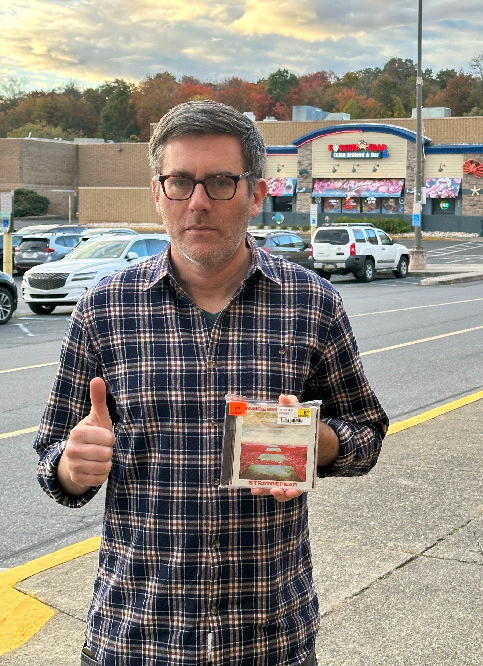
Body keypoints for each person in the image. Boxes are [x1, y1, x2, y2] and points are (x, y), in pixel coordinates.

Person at [34, 99, 388, 665]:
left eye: (220, 181)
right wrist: (70, 469)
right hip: (135, 636)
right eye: (180, 181)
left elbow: (367, 434)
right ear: (158, 193)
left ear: (254, 194)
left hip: (269, 638)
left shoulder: (312, 303)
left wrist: (320, 445)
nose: (197, 201)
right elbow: (51, 453)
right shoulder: (103, 309)